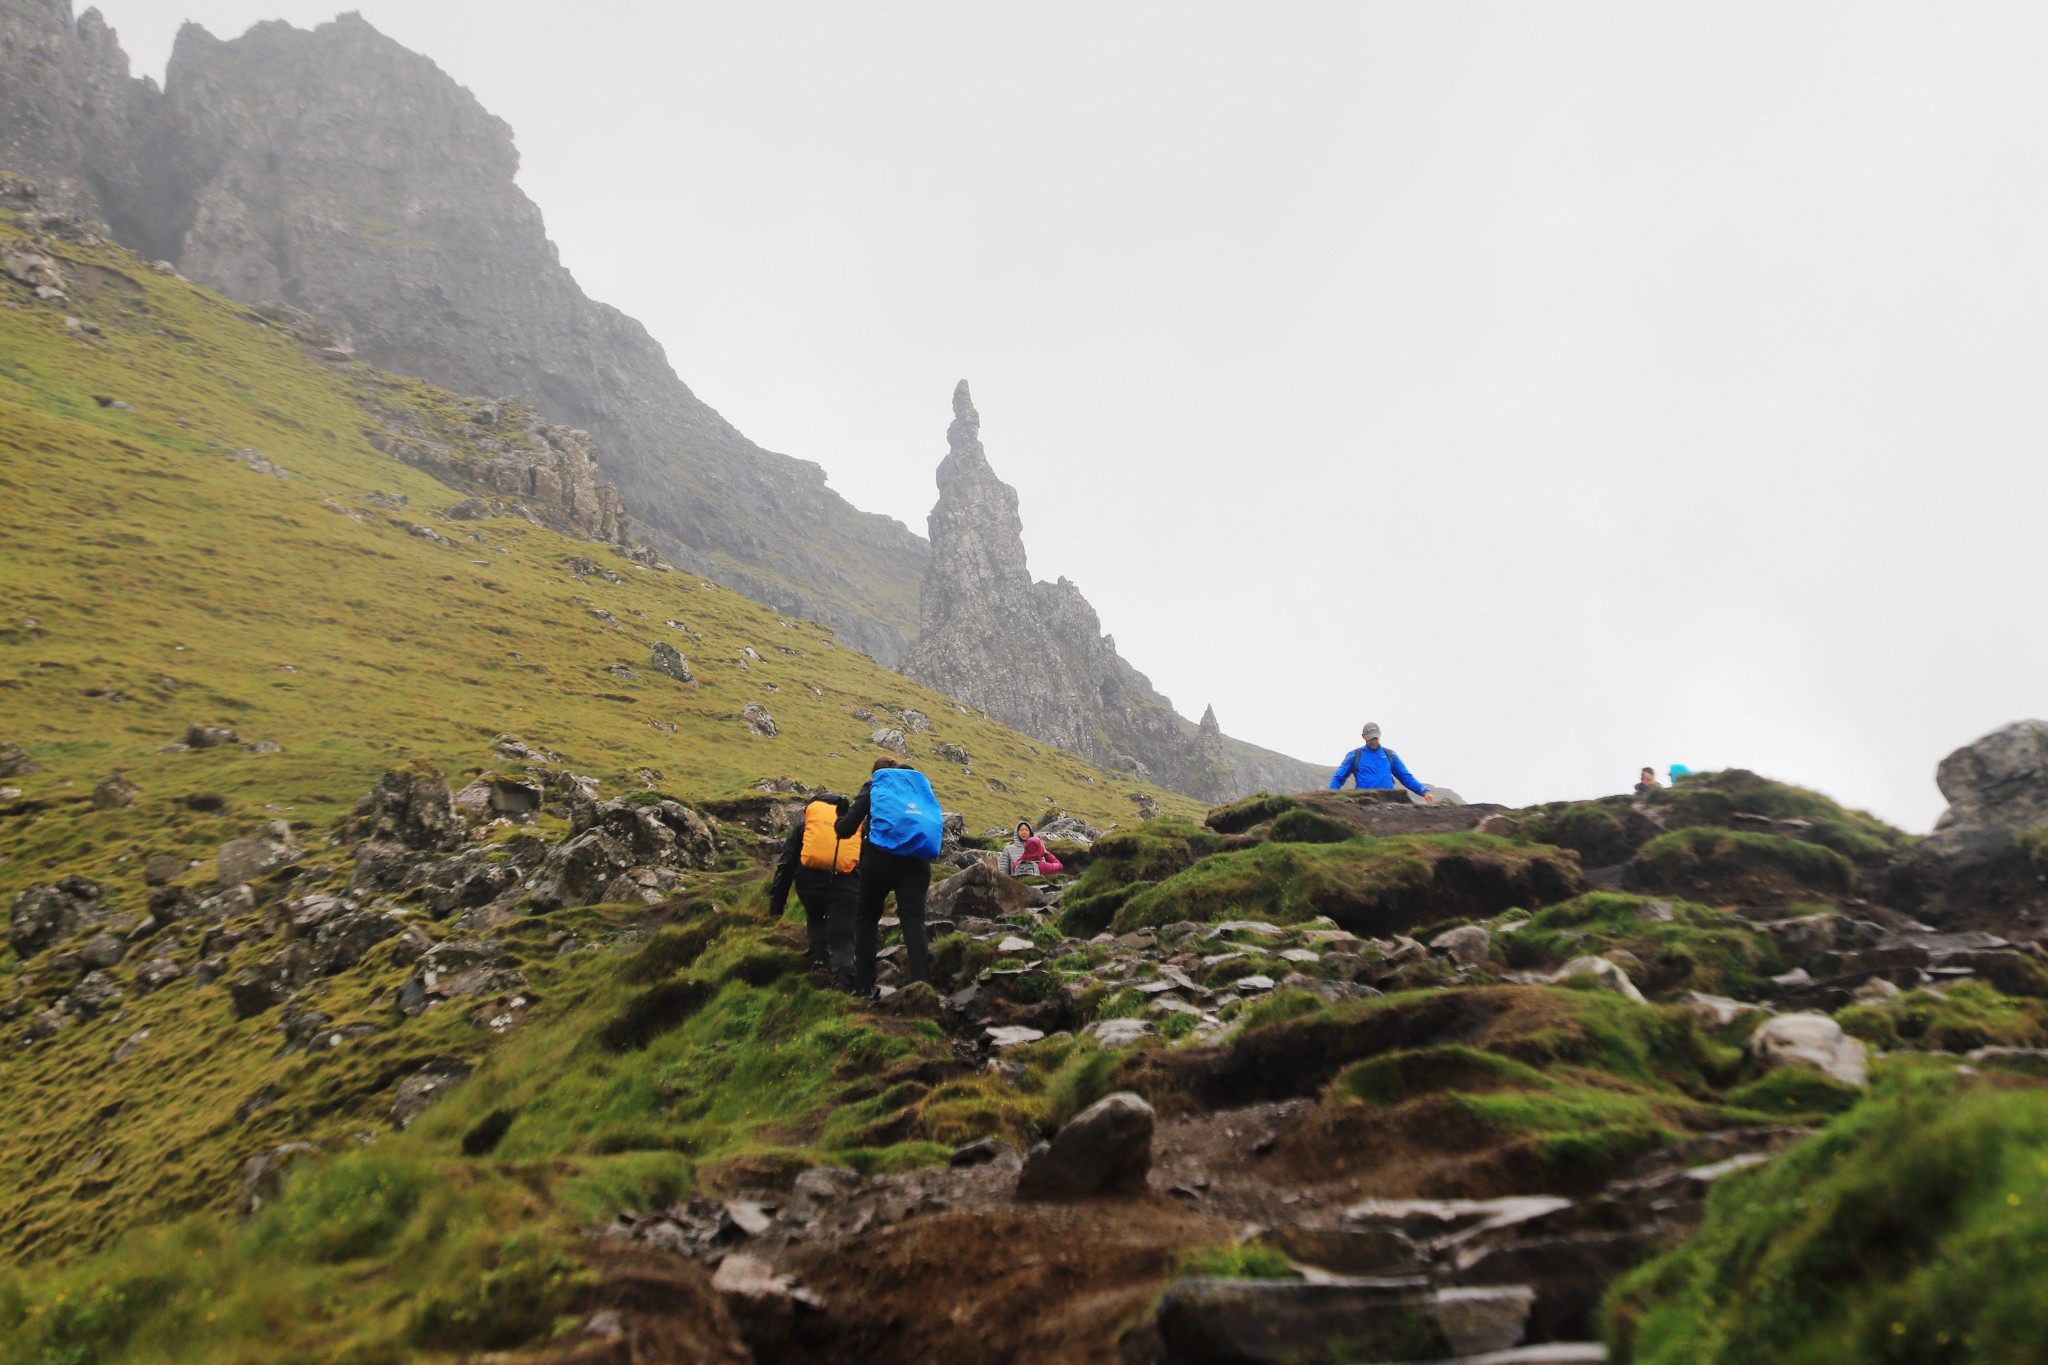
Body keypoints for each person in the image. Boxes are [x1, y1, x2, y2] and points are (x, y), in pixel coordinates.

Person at [836, 756, 946, 996]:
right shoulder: (916, 786)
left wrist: (839, 818)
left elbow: (845, 829)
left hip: (879, 860)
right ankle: (922, 985)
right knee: (913, 920)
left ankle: (864, 985)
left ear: (876, 773)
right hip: (917, 862)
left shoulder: (874, 786)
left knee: (866, 918)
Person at [767, 790, 861, 989]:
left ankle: (820, 963)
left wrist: (777, 906)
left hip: (810, 884)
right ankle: (842, 981)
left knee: (816, 918)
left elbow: (785, 866)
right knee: (842, 936)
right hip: (845, 886)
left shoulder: (805, 827)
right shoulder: (856, 827)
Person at [1329, 722, 1434, 802]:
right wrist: (1329, 796)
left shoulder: (1390, 755)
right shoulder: (1354, 756)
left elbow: (1405, 777)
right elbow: (1339, 777)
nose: (1374, 741)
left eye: (1376, 738)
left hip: (1388, 802)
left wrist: (1424, 791)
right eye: (1371, 738)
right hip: (1364, 803)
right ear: (1364, 736)